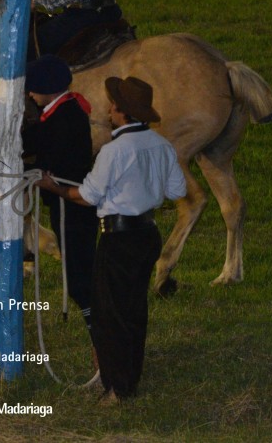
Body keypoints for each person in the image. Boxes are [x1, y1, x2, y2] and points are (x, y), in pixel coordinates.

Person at [36, 76, 186, 403]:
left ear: (120, 111)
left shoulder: (113, 151)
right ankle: (129, 378)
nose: (107, 108)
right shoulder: (162, 145)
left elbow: (87, 197)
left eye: (112, 104)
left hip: (118, 239)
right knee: (133, 309)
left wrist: (54, 188)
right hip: (147, 235)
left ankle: (118, 389)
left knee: (109, 315)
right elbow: (177, 190)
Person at [22, 55, 98, 341]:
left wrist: (29, 170)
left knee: (79, 276)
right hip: (68, 203)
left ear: (47, 88)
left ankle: (97, 331)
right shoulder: (65, 111)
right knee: (78, 269)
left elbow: (37, 144)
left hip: (71, 205)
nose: (30, 94)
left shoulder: (61, 118)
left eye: (33, 88)